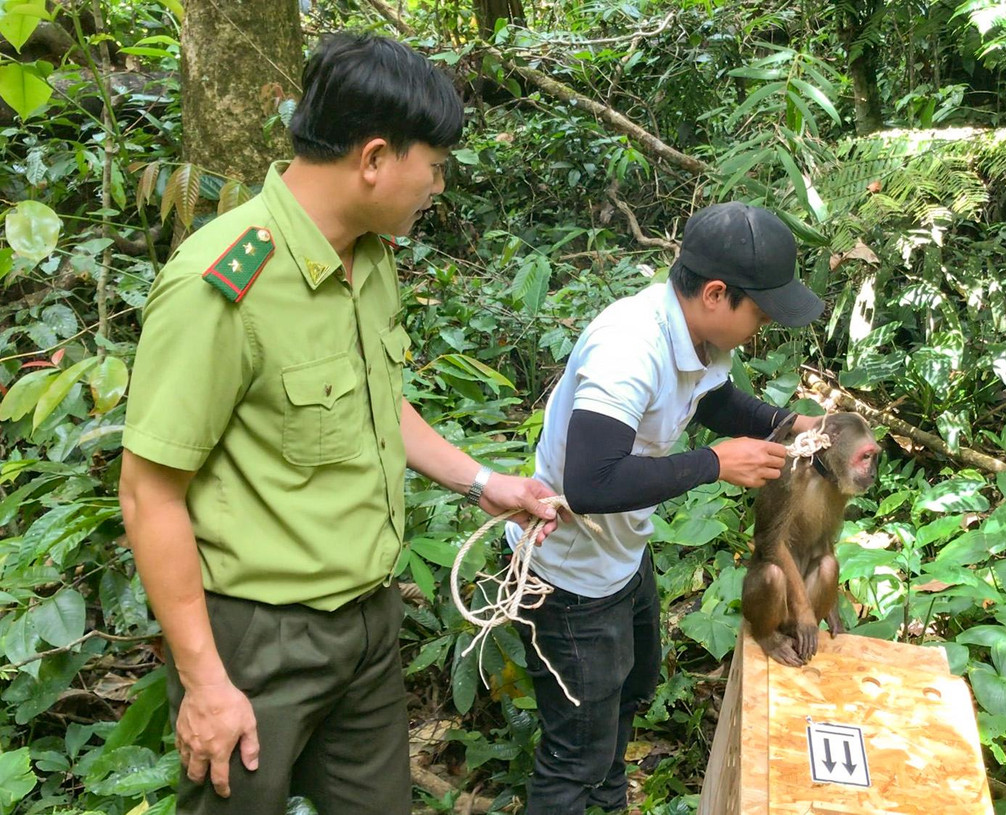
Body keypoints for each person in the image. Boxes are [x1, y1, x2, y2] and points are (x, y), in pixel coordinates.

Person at [117, 33, 557, 815]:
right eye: (436, 166)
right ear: (376, 158)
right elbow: (151, 493)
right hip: (257, 641)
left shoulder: (370, 256)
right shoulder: (222, 285)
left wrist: (485, 482)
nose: (438, 186)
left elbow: (375, 401)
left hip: (367, 623)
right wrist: (207, 681)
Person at [510, 201, 826, 814]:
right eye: (759, 312)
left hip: (622, 558)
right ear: (715, 294)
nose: (760, 328)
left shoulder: (700, 338)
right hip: (570, 578)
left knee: (631, 691)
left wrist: (788, 423)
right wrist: (715, 463)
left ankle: (608, 801)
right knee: (574, 754)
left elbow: (712, 400)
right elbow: (591, 482)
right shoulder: (629, 346)